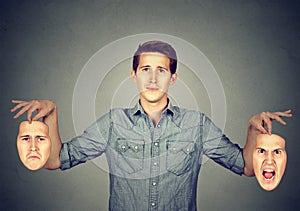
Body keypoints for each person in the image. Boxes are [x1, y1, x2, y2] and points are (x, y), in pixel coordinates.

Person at [11, 41, 292, 210]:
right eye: (146, 69)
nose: (154, 78)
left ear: (174, 77)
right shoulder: (113, 123)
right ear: (134, 75)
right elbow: (57, 160)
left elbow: (244, 166)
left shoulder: (196, 125)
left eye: (162, 70)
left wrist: (254, 131)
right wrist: (52, 115)